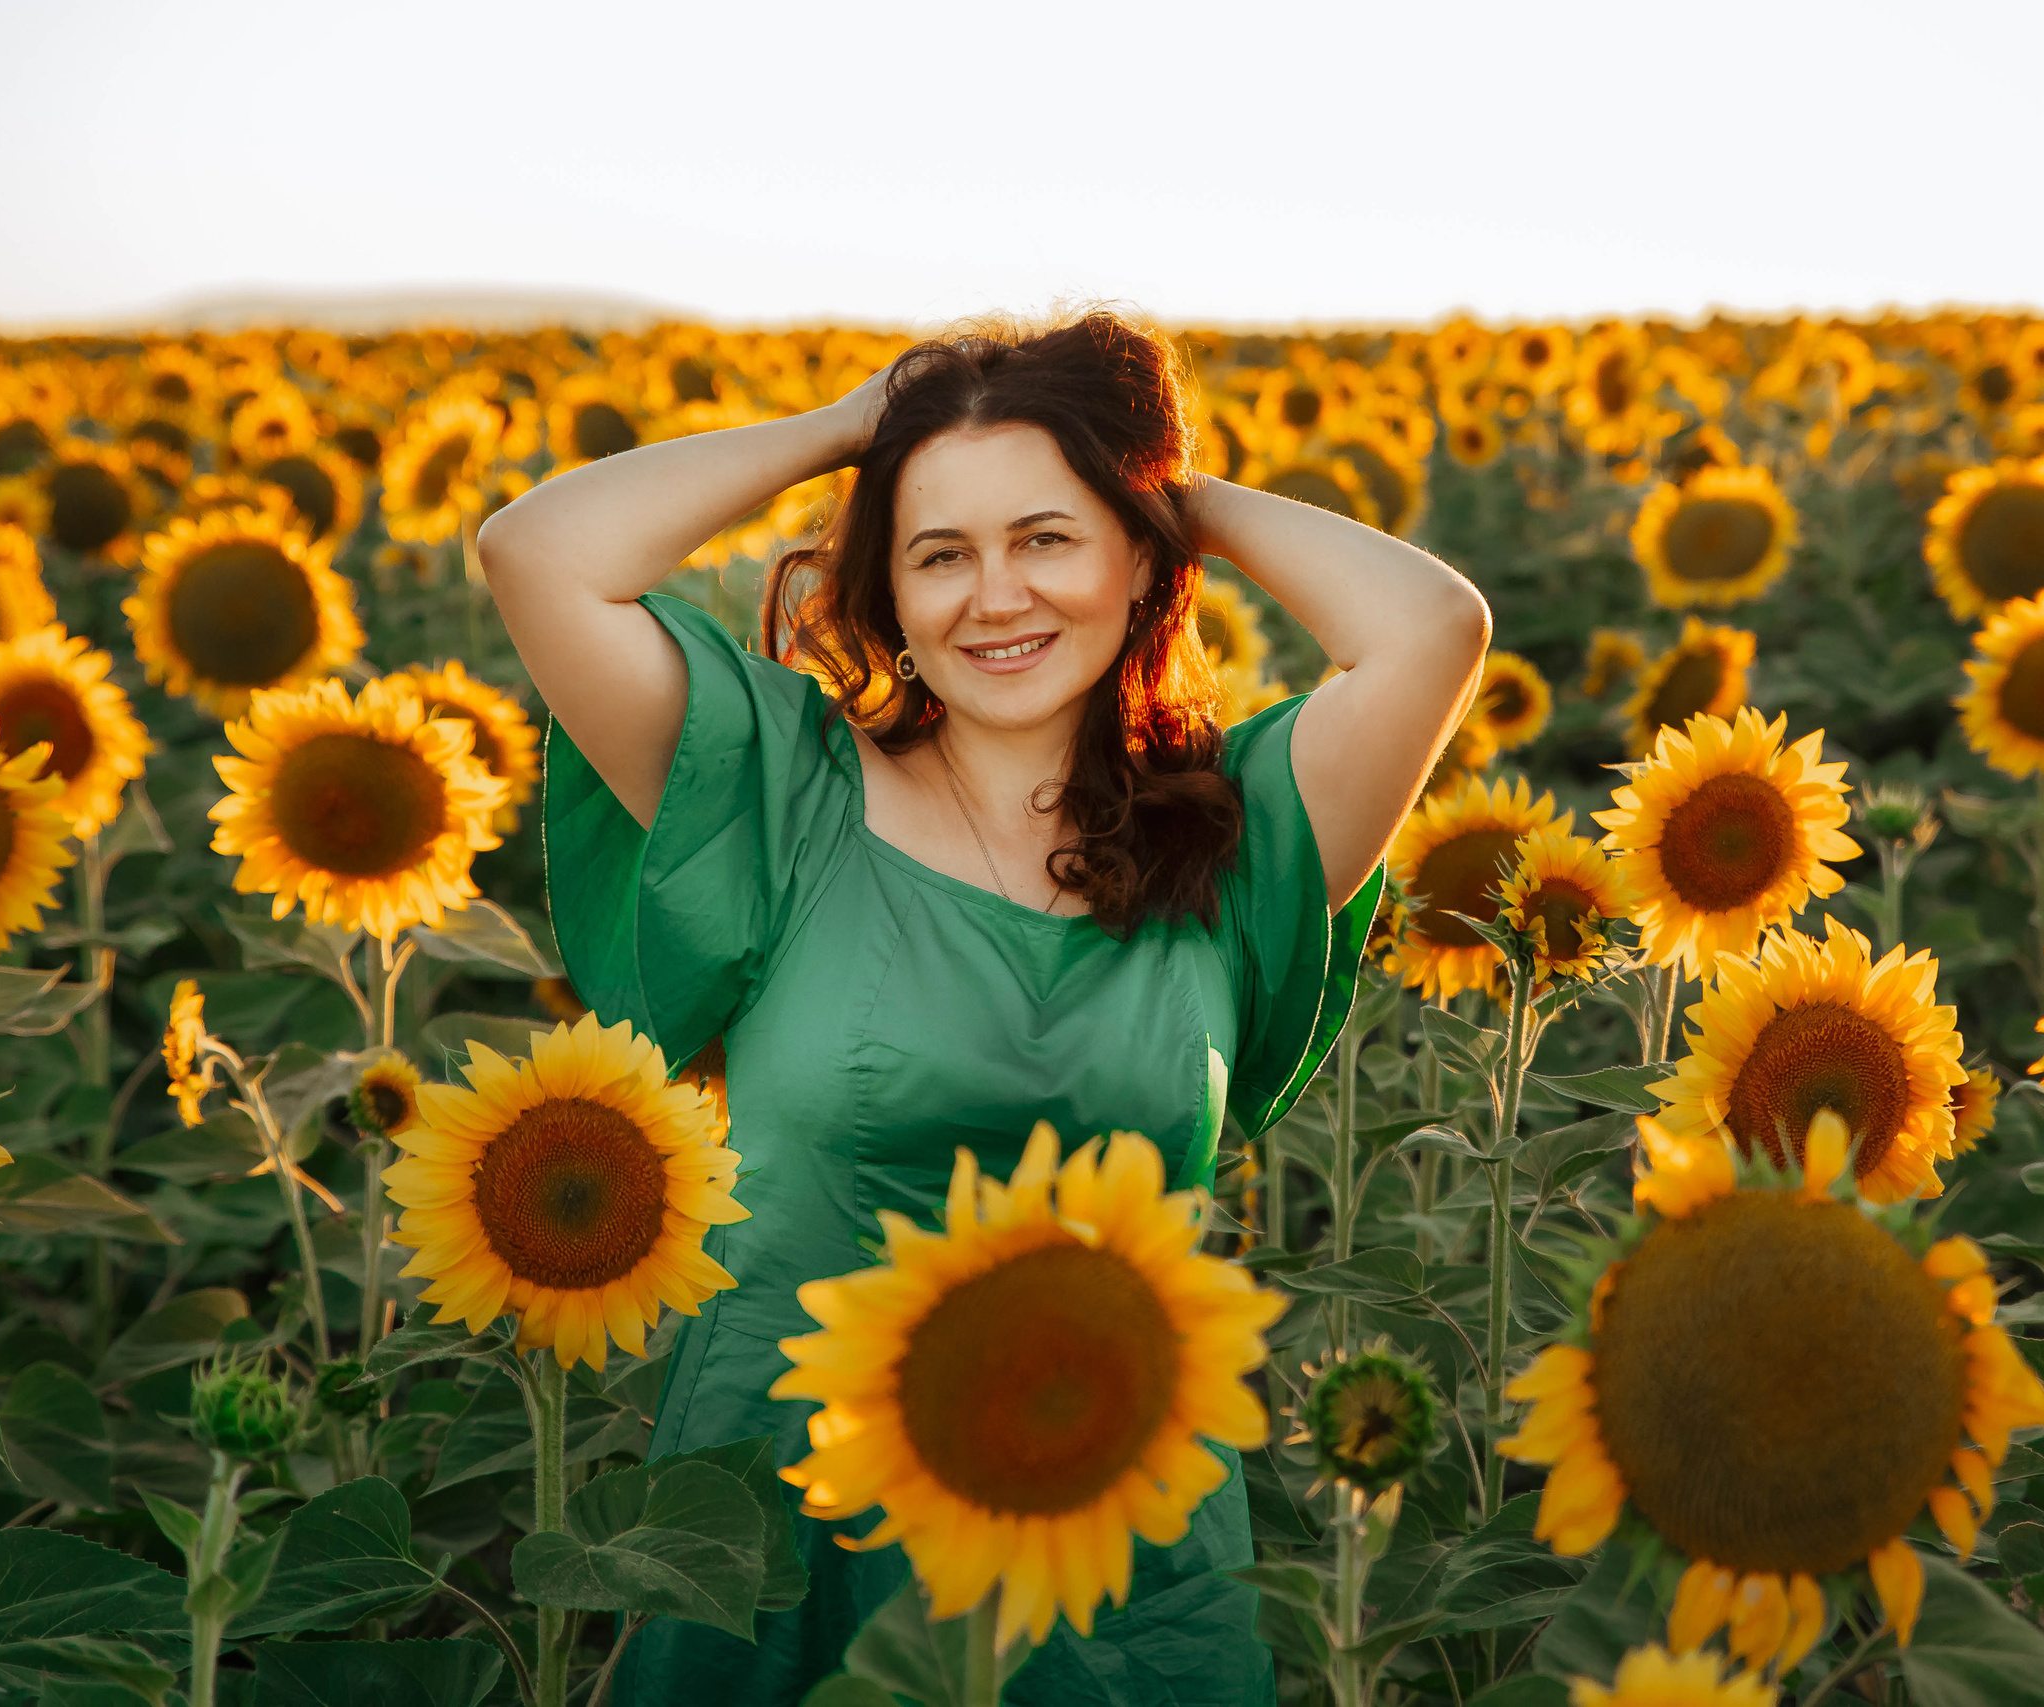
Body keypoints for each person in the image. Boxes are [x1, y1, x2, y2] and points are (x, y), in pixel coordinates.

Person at [477, 306, 1490, 1706]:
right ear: (886, 593)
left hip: (1111, 1532)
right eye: (938, 554)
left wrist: (1159, 487)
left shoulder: (1240, 836)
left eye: (1048, 538)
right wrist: (851, 425)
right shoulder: (778, 792)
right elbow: (540, 553)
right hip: (791, 1518)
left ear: (1145, 566)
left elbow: (1433, 625)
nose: (994, 596)